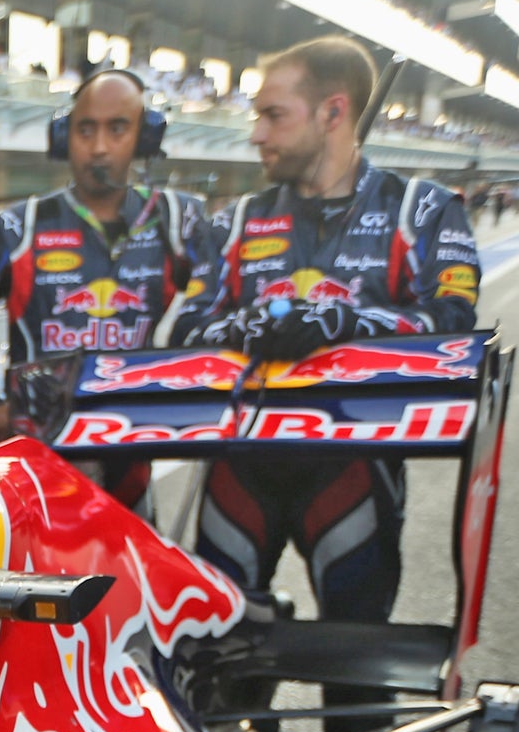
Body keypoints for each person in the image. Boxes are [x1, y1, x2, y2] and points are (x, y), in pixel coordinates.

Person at [181, 37, 479, 622]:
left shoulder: (424, 209)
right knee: (213, 663)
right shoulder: (233, 222)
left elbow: (453, 330)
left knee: (356, 686)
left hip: (354, 470)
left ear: (333, 112)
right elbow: (189, 333)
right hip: (240, 469)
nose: (256, 134)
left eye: (273, 115)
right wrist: (248, 326)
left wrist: (346, 323)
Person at [0, 69, 214, 516]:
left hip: (130, 444)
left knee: (134, 575)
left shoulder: (178, 220)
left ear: (144, 137)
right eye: (86, 129)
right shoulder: (20, 225)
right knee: (39, 581)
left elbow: (215, 310)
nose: (99, 147)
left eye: (117, 128)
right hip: (38, 454)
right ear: (65, 136)